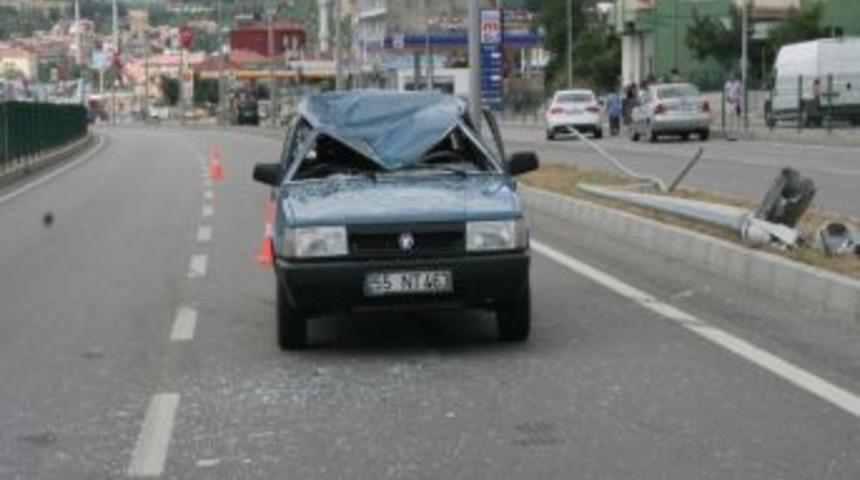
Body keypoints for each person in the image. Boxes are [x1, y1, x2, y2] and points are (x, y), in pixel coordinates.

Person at [724, 72, 744, 139]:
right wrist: (727, 98)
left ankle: (736, 134)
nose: (731, 77)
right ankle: (729, 134)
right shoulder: (727, 84)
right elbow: (726, 93)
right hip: (729, 103)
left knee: (736, 119)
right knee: (729, 118)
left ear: (734, 77)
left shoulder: (738, 84)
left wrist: (740, 103)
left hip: (736, 103)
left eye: (732, 76)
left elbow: (741, 93)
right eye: (730, 76)